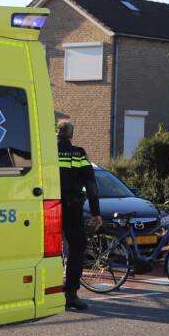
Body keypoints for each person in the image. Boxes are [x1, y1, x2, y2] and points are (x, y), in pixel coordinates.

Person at [57, 119, 103, 310]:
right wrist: (95, 214)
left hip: (44, 208)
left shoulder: (44, 151)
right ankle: (70, 294)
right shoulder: (78, 153)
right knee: (78, 246)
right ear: (71, 135)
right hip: (70, 209)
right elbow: (91, 184)